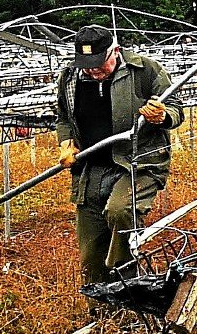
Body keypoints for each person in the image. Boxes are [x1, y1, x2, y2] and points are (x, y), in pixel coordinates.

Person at [55, 25, 185, 289]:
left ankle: (126, 283)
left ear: (114, 51)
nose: (93, 71)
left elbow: (176, 110)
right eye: (87, 65)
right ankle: (100, 308)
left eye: (99, 64)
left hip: (137, 163)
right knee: (91, 248)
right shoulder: (70, 79)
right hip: (92, 167)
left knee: (120, 211)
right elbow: (64, 118)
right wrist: (66, 143)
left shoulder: (145, 70)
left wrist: (162, 116)